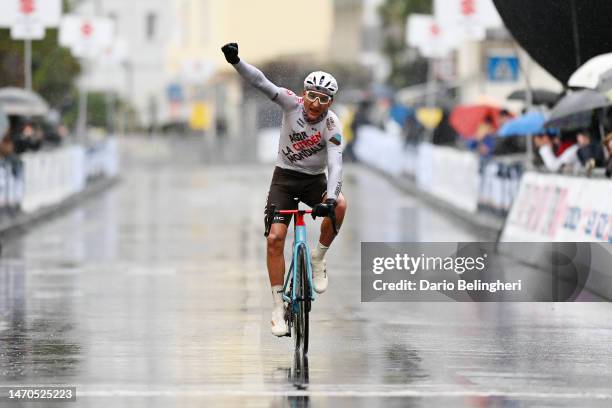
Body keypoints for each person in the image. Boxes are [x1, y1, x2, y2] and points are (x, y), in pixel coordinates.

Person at [221, 43, 347, 337]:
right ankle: (278, 306)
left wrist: (329, 199)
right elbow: (261, 82)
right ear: (304, 94)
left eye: (324, 99)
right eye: (312, 96)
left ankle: (318, 257)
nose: (316, 104)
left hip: (314, 181)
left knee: (340, 205)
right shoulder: (291, 103)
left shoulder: (332, 125)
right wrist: (237, 62)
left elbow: (336, 164)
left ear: (331, 102)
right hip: (285, 180)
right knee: (276, 239)